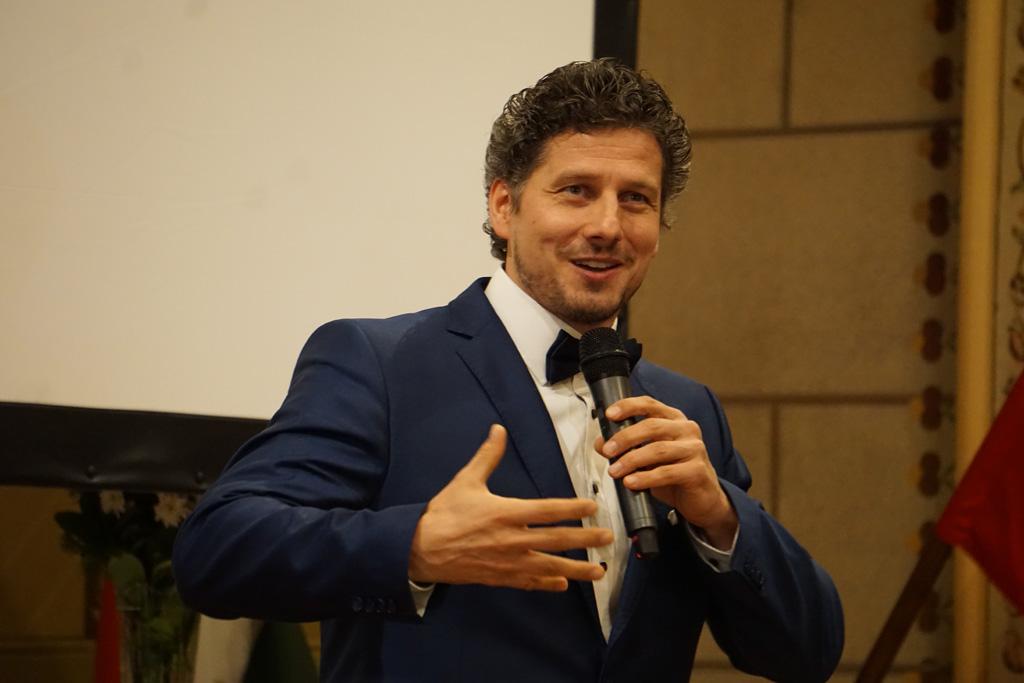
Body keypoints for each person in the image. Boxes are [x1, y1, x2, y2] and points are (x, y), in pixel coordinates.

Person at [173, 59, 844, 681]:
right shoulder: (379, 363)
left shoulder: (686, 410)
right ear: (504, 206)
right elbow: (216, 551)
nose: (608, 225)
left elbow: (808, 651)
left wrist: (719, 515)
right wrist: (415, 545)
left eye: (636, 199)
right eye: (577, 191)